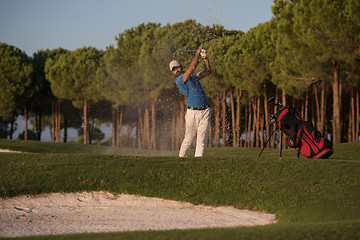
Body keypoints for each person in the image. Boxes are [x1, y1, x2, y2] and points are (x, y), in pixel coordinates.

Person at [169, 48, 211, 157]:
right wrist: (197, 54)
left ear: (180, 67)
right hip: (192, 113)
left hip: (205, 110)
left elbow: (208, 71)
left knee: (202, 139)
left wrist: (205, 58)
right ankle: (181, 158)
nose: (176, 70)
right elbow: (192, 66)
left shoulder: (193, 76)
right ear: (172, 72)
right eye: (174, 69)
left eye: (177, 67)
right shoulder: (179, 80)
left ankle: (198, 161)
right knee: (189, 138)